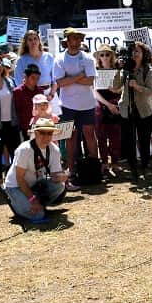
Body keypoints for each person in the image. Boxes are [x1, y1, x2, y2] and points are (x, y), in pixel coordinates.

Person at [53, 28, 98, 190]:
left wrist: (70, 79)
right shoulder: (59, 59)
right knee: (70, 137)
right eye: (75, 38)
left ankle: (95, 168)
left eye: (80, 38)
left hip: (87, 104)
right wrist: (80, 76)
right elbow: (60, 82)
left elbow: (90, 80)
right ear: (68, 40)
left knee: (89, 135)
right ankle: (71, 171)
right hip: (67, 105)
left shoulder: (88, 58)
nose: (78, 41)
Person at [3, 117, 66, 224]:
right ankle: (17, 203)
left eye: (49, 133)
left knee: (60, 186)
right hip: (16, 186)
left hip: (34, 184)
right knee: (38, 216)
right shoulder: (25, 149)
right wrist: (33, 200)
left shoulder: (54, 150)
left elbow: (55, 175)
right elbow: (19, 178)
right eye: (42, 132)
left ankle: (34, 204)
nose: (46, 136)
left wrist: (62, 176)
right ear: (36, 133)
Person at [116, 42, 152, 179]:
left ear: (143, 54)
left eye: (137, 51)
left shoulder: (148, 70)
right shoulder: (125, 70)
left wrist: (137, 86)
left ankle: (145, 166)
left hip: (144, 111)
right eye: (132, 51)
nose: (134, 54)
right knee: (129, 141)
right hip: (127, 110)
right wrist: (118, 69)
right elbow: (115, 87)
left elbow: (150, 91)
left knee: (144, 140)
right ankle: (133, 168)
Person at [92, 44, 122, 178]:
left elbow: (122, 88)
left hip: (116, 103)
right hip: (101, 105)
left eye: (107, 54)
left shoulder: (117, 70)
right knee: (101, 136)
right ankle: (104, 162)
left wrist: (116, 90)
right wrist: (107, 104)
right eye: (102, 54)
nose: (104, 57)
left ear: (112, 55)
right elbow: (94, 91)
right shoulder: (95, 70)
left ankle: (115, 162)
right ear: (98, 56)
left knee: (115, 136)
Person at [13, 64, 44, 140]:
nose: (35, 80)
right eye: (33, 78)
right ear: (25, 77)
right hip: (25, 129)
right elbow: (16, 111)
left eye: (37, 78)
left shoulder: (40, 91)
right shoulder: (17, 92)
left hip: (39, 126)